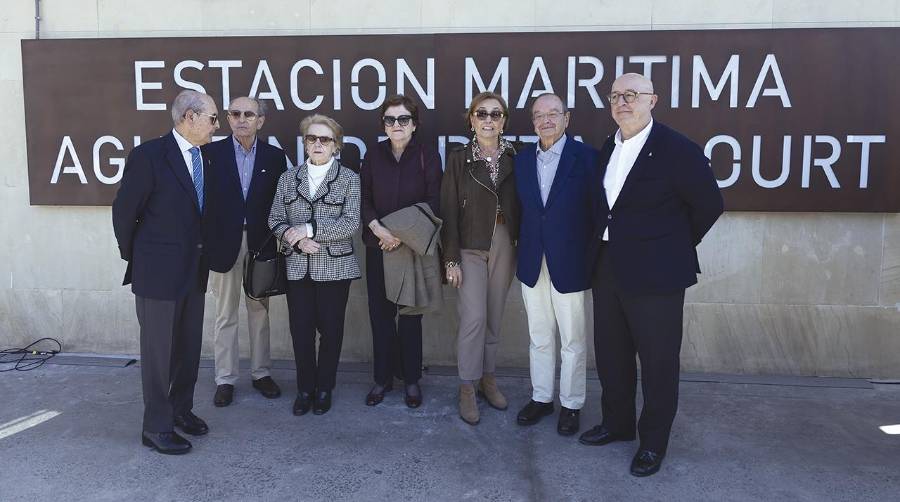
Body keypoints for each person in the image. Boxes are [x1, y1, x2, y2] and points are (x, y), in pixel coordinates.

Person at [579, 73, 724, 477]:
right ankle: (617, 423)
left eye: (632, 95)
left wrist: (670, 246)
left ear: (653, 100)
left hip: (657, 274)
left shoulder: (677, 149)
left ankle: (653, 443)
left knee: (658, 362)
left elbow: (709, 204)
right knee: (611, 352)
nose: (622, 102)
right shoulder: (610, 145)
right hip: (608, 266)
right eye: (615, 96)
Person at [112, 89, 219, 454]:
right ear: (190, 117)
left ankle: (180, 410)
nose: (216, 126)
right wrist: (139, 258)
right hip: (157, 273)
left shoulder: (206, 157)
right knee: (159, 353)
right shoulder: (149, 156)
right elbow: (125, 212)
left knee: (188, 348)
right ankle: (156, 427)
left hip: (194, 270)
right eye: (213, 118)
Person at [514, 93, 598, 436]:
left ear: (567, 118)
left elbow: (597, 212)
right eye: (539, 115)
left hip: (571, 261)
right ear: (533, 121)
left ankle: (572, 404)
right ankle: (542, 397)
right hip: (533, 260)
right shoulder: (521, 161)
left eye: (553, 113)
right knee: (539, 335)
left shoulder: (588, 158)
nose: (545, 120)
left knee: (573, 339)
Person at [268, 114, 361, 417]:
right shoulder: (288, 178)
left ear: (337, 146)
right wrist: (294, 240)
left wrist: (308, 231)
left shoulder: (349, 179)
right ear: (305, 143)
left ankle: (324, 388)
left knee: (331, 331)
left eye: (325, 139)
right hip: (297, 266)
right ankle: (305, 389)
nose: (317, 144)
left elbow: (350, 223)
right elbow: (275, 219)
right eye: (312, 138)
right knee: (301, 331)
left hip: (334, 268)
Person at [440, 92, 520, 425]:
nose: (489, 119)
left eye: (496, 114)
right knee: (473, 317)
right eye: (481, 113)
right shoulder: (458, 158)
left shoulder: (518, 156)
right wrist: (450, 258)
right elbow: (447, 208)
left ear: (504, 120)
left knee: (493, 317)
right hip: (470, 244)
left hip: (505, 240)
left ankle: (488, 378)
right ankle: (467, 386)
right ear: (471, 119)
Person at [204, 96, 287, 407]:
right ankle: (225, 378)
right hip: (224, 245)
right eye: (235, 113)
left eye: (248, 114)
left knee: (260, 312)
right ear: (228, 118)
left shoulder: (275, 157)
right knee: (225, 314)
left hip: (260, 245)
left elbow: (279, 204)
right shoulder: (210, 153)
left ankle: (261, 373)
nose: (241, 119)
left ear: (260, 121)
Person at [361, 94, 442, 408]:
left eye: (403, 119)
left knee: (410, 317)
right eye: (390, 120)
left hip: (410, 249)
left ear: (414, 124)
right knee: (380, 316)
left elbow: (435, 201)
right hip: (378, 246)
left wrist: (399, 232)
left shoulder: (427, 156)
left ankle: (410, 380)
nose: (396, 125)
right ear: (383, 124)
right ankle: (382, 379)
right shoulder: (373, 154)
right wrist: (379, 230)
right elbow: (363, 198)